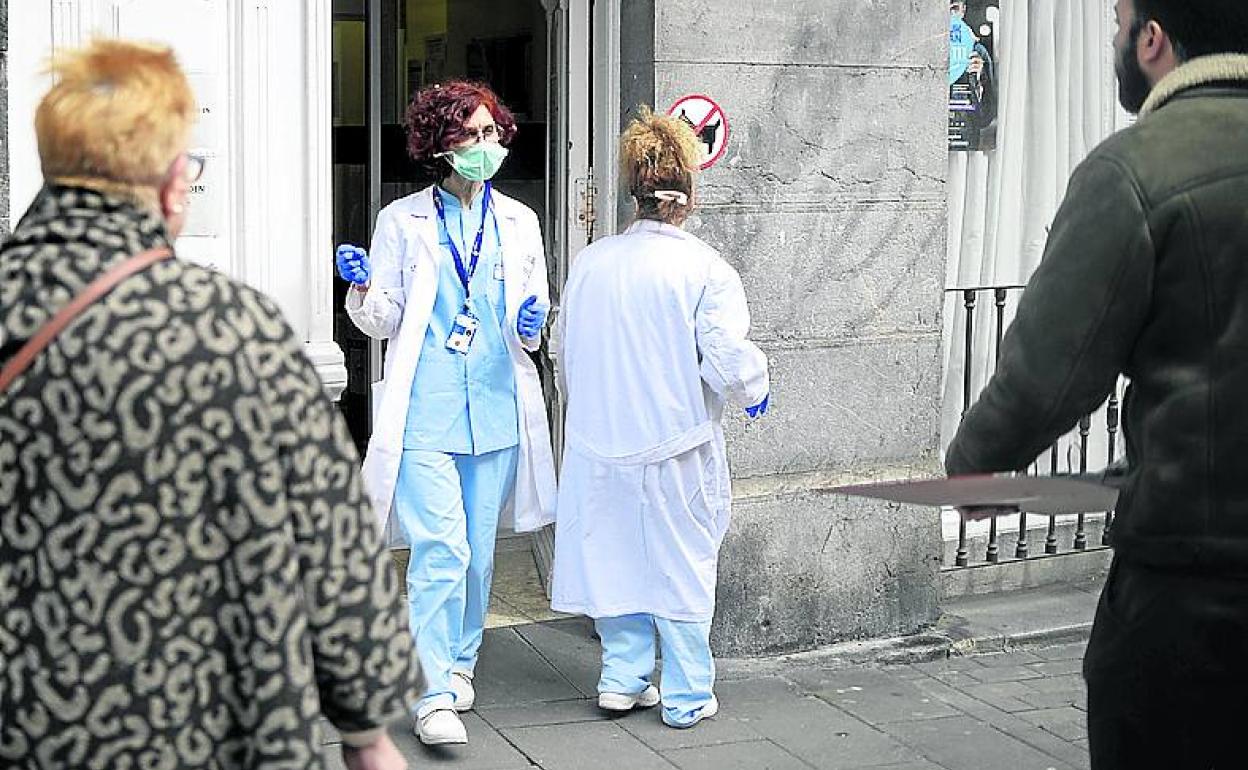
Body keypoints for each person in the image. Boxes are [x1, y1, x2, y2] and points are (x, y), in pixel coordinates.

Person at [0, 40, 420, 770]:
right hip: (210, 723)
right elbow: (333, 550)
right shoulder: (233, 329)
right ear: (169, 184)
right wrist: (366, 730)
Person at [944, 1, 1248, 766]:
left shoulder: (1137, 167)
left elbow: (1051, 372)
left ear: (1153, 39)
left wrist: (976, 463)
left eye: (1116, 23)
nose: (1112, 39)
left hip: (1196, 596)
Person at [335, 80, 556, 746]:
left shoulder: (521, 221)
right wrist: (362, 284)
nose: (485, 146)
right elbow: (382, 321)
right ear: (440, 144)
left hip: (495, 410)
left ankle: (460, 662)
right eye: (470, 135)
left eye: (492, 134)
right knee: (442, 551)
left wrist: (532, 322)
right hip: (426, 411)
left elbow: (533, 323)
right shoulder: (404, 220)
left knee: (481, 556)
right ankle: (429, 693)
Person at [550, 107, 770, 729]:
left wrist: (589, 409)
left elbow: (565, 349)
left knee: (613, 560)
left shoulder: (594, 261)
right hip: (677, 449)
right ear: (689, 194)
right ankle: (686, 695)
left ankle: (621, 680)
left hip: (600, 447)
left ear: (634, 192)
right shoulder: (705, 269)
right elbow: (727, 356)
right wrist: (753, 388)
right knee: (681, 569)